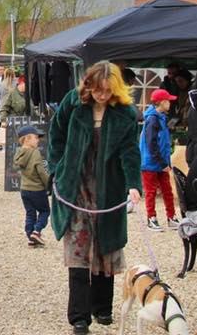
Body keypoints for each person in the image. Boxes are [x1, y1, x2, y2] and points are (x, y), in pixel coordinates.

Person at [48, 61, 142, 335]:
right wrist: (55, 168)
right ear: (88, 85)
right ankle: (79, 316)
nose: (101, 95)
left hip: (108, 187)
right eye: (97, 90)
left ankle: (102, 308)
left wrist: (133, 184)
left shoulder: (124, 112)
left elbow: (129, 151)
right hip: (75, 186)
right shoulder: (73, 102)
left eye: (107, 91)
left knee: (106, 245)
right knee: (78, 249)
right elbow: (56, 135)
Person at [139, 89, 178, 231]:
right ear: (161, 102)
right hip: (151, 163)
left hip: (161, 162)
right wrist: (162, 163)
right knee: (151, 192)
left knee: (167, 190)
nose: (170, 103)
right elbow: (151, 143)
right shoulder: (153, 119)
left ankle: (171, 217)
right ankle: (151, 218)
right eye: (168, 101)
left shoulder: (161, 117)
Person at [14, 124, 50, 246]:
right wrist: (48, 184)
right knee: (45, 211)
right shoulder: (35, 153)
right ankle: (37, 231)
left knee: (30, 213)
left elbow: (16, 166)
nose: (38, 140)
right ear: (27, 139)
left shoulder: (18, 153)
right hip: (37, 189)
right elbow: (41, 171)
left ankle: (30, 237)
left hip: (24, 189)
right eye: (36, 137)